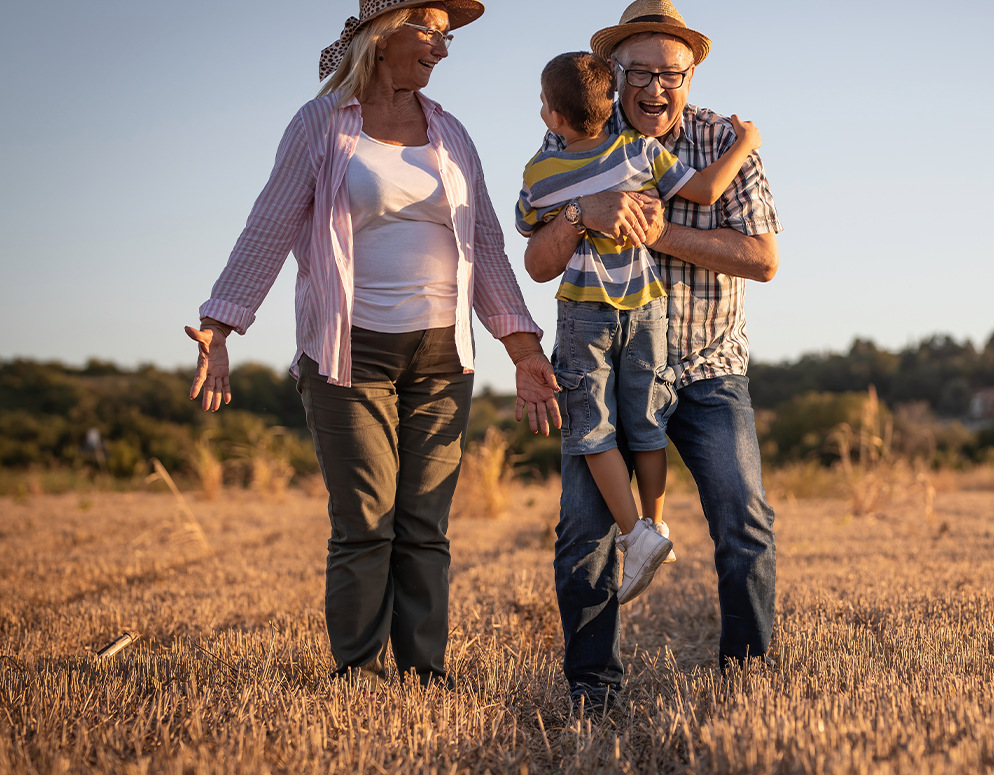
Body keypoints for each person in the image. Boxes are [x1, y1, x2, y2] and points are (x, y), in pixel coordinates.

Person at [186, 0, 560, 686]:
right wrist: (221, 324)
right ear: (385, 33)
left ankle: (424, 672)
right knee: (365, 517)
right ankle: (358, 672)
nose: (443, 51)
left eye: (448, 39)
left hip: (443, 352)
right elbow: (268, 226)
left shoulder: (450, 133)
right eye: (432, 34)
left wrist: (524, 349)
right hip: (347, 350)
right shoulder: (322, 125)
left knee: (424, 521)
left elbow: (485, 246)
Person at [523, 0, 781, 710]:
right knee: (582, 529)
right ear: (613, 73)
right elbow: (536, 258)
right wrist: (581, 214)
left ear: (690, 76)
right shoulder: (569, 146)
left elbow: (762, 259)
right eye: (640, 71)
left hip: (706, 365)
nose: (657, 87)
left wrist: (652, 229)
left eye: (673, 72)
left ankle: (747, 678)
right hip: (603, 366)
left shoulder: (723, 141)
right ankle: (591, 686)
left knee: (744, 516)